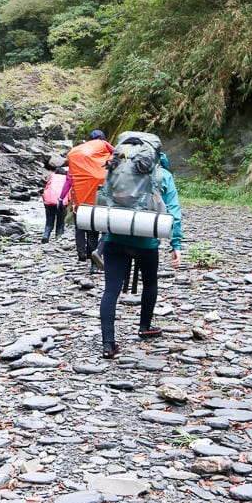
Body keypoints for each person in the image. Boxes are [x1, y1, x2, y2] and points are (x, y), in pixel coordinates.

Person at [99, 152, 183, 359]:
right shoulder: (163, 175)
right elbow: (173, 209)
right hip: (146, 240)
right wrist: (176, 244)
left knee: (111, 290)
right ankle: (145, 326)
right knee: (150, 282)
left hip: (115, 237)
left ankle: (108, 344)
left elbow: (103, 199)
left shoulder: (116, 169)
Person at [66, 130, 113, 263]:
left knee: (91, 231)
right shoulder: (103, 146)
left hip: (83, 200)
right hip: (103, 196)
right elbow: (120, 154)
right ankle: (98, 255)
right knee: (105, 230)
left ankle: (91, 261)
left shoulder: (75, 152)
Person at [40, 166, 72, 243]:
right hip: (61, 202)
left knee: (49, 221)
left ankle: (46, 235)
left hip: (49, 201)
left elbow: (47, 188)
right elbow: (68, 192)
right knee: (60, 221)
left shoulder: (52, 176)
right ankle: (58, 237)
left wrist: (44, 200)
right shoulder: (66, 178)